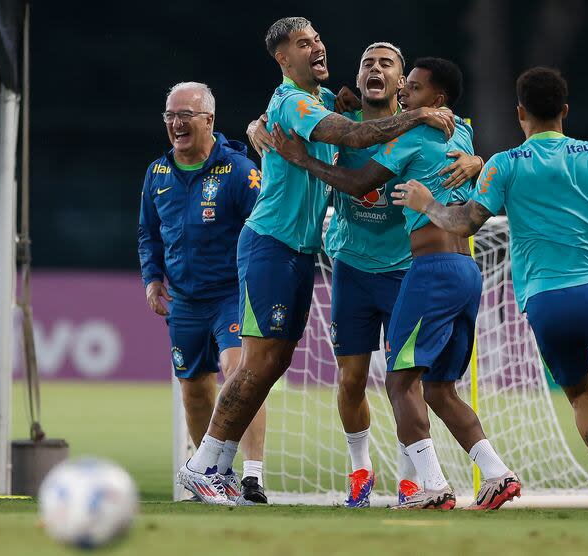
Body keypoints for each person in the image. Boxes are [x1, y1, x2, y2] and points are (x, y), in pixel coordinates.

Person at [176, 17, 457, 505]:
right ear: (283, 58)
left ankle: (215, 466)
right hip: (272, 243)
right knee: (258, 362)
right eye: (304, 44)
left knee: (274, 362)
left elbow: (340, 117)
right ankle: (204, 464)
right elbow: (351, 136)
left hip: (300, 250)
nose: (318, 47)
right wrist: (417, 116)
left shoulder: (320, 100)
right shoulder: (293, 101)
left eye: (318, 39)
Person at [393, 66, 588, 515]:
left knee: (583, 398)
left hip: (544, 305)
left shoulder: (503, 164)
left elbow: (466, 222)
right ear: (565, 110)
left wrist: (426, 204)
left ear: (519, 113)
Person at [270, 57, 521, 511]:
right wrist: (478, 158)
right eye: (369, 63)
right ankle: (498, 475)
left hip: (425, 271)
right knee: (439, 389)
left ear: (437, 101)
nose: (405, 92)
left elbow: (359, 181)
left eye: (414, 87)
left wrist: (302, 159)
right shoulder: (456, 132)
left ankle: (430, 485)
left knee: (400, 383)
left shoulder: (409, 136)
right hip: (464, 271)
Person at [138, 82, 267, 505]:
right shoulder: (157, 174)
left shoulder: (236, 170)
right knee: (193, 390)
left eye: (185, 115)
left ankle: (252, 476)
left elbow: (263, 224)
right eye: (170, 115)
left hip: (232, 292)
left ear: (208, 120)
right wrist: (153, 279)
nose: (176, 123)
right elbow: (149, 233)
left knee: (239, 373)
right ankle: (213, 475)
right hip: (185, 301)